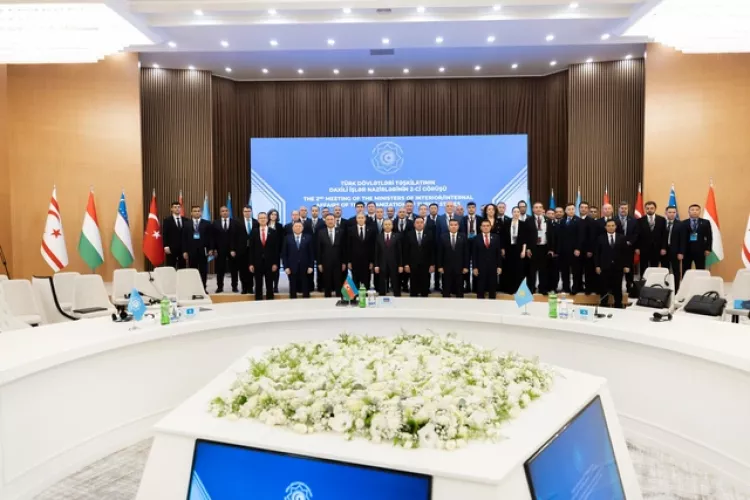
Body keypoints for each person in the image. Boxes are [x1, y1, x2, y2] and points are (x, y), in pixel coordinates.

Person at [595, 219, 629, 309]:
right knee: (604, 288)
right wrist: (597, 266)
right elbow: (597, 253)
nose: (611, 227)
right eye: (609, 226)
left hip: (618, 267)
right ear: (605, 227)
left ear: (616, 227)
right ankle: (603, 306)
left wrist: (626, 265)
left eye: (612, 225)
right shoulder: (600, 238)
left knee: (617, 287)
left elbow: (626, 253)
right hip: (604, 267)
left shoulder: (622, 238)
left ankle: (618, 306)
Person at [525, 202, 555, 295]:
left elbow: (551, 235)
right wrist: (527, 248)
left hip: (544, 247)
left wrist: (551, 249)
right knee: (531, 270)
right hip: (533, 248)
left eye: (540, 207)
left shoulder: (548, 220)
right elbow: (526, 236)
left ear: (543, 209)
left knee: (544, 270)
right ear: (533, 209)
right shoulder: (528, 220)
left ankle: (543, 288)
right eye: (536, 207)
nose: (538, 209)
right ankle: (531, 288)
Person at [248, 212, 279, 300]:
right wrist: (251, 263)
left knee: (269, 283)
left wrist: (275, 263)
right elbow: (251, 249)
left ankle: (270, 299)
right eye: (260, 218)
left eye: (264, 218)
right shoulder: (253, 232)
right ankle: (258, 299)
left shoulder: (273, 232)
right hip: (257, 262)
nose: (262, 219)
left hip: (270, 262)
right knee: (258, 283)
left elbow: (276, 250)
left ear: (267, 219)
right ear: (258, 220)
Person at [182, 205, 213, 292]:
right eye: (195, 211)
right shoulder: (186, 224)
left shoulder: (207, 223)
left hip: (203, 251)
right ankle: (194, 289)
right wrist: (184, 251)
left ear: (201, 213)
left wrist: (211, 249)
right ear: (191, 213)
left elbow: (211, 238)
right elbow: (183, 238)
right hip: (191, 251)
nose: (197, 212)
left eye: (198, 211)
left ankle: (203, 288)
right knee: (192, 271)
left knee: (203, 271)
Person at [403, 217, 435, 297]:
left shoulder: (430, 234)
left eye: (421, 222)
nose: (419, 224)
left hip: (426, 264)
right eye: (417, 223)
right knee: (413, 284)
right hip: (412, 264)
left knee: (425, 284)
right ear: (414, 224)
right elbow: (406, 250)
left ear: (424, 224)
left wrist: (432, 264)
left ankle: (424, 298)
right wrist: (406, 264)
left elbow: (432, 250)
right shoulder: (409, 234)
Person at [317, 214, 347, 297]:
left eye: (331, 219)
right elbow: (319, 249)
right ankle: (327, 298)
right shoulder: (321, 232)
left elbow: (344, 248)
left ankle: (339, 298)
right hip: (325, 262)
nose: (330, 221)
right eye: (328, 219)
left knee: (338, 282)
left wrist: (344, 262)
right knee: (327, 282)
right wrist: (319, 263)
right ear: (325, 221)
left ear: (335, 221)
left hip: (338, 262)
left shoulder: (341, 231)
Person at [437, 219, 469, 298]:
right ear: (448, 226)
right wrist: (440, 266)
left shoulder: (463, 236)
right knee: (446, 289)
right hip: (446, 267)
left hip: (460, 267)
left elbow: (466, 253)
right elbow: (440, 253)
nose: (453, 226)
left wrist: (466, 266)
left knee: (459, 289)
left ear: (458, 226)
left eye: (455, 225)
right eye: (451, 225)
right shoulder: (443, 237)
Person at [282, 221, 313, 299]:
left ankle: (306, 302)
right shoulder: (287, 238)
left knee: (306, 287)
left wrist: (311, 266)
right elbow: (284, 254)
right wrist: (286, 267)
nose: (298, 228)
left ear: (302, 228)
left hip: (305, 267)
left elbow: (311, 253)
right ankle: (293, 302)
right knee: (293, 288)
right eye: (296, 226)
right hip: (292, 267)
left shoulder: (308, 237)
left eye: (299, 226)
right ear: (292, 228)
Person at [212, 205, 239, 293]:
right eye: (223, 211)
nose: (225, 212)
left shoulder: (235, 223)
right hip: (219, 250)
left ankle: (234, 286)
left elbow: (237, 238)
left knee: (234, 269)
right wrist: (214, 249)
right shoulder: (215, 223)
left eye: (226, 211)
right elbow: (213, 237)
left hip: (232, 250)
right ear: (220, 213)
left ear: (229, 212)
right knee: (220, 269)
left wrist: (235, 249)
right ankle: (220, 287)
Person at [473, 220, 503, 299]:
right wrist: (474, 267)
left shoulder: (496, 237)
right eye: (484, 226)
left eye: (487, 226)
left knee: (492, 289)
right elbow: (474, 254)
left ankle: (492, 304)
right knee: (480, 289)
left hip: (493, 267)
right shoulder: (476, 238)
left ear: (490, 227)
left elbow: (498, 253)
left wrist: (499, 266)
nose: (485, 227)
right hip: (480, 267)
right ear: (480, 227)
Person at [635, 201, 667, 275]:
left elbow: (664, 235)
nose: (649, 210)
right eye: (648, 208)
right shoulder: (640, 221)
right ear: (645, 209)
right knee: (643, 266)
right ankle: (643, 281)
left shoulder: (662, 220)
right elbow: (637, 235)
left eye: (652, 208)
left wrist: (663, 248)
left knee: (654, 267)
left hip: (657, 248)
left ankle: (653, 280)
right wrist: (637, 247)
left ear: (655, 209)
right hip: (644, 248)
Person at [374, 219, 403, 296]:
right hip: (382, 264)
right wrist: (376, 265)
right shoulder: (379, 236)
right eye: (386, 224)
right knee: (382, 283)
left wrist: (400, 265)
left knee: (396, 282)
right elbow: (376, 252)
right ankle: (382, 297)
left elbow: (399, 252)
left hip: (394, 264)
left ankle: (397, 296)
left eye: (389, 224)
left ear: (392, 226)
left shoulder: (397, 236)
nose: (387, 226)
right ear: (383, 226)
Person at [682, 203, 713, 275]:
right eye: (692, 210)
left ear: (699, 211)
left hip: (700, 250)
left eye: (697, 210)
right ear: (689, 211)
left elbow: (709, 236)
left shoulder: (705, 222)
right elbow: (681, 238)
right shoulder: (683, 223)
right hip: (687, 250)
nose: (694, 211)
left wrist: (708, 249)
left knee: (700, 269)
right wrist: (681, 251)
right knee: (686, 269)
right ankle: (686, 281)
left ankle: (700, 281)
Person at [502, 207, 528, 293]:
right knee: (509, 268)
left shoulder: (523, 224)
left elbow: (524, 239)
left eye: (518, 212)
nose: (516, 213)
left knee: (519, 269)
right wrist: (503, 249)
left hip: (519, 249)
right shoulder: (506, 223)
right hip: (509, 249)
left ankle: (518, 289)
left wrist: (523, 250)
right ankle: (509, 289)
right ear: (512, 213)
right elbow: (503, 237)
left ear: (519, 213)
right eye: (514, 212)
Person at [558, 204, 582, 294]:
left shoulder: (578, 221)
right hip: (564, 251)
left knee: (575, 271)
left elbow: (580, 236)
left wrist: (578, 248)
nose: (571, 211)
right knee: (564, 271)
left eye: (572, 209)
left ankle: (575, 288)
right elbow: (560, 236)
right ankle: (566, 287)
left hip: (574, 250)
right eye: (569, 209)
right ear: (565, 211)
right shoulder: (562, 221)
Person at [347, 213, 375, 290]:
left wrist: (372, 261)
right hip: (354, 260)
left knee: (366, 279)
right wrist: (349, 261)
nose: (360, 219)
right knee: (355, 279)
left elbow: (373, 246)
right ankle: (355, 295)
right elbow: (348, 246)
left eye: (362, 218)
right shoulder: (350, 230)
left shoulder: (371, 230)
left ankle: (365, 294)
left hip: (367, 260)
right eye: (359, 218)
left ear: (365, 219)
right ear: (356, 219)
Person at [661, 205, 685, 292]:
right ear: (666, 213)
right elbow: (660, 237)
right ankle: (665, 289)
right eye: (670, 212)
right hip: (664, 251)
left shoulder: (680, 224)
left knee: (676, 271)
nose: (672, 214)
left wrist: (681, 252)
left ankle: (676, 289)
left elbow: (683, 239)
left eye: (674, 212)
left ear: (676, 213)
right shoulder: (662, 223)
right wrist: (662, 248)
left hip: (675, 252)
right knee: (665, 270)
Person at [461, 202, 483, 293]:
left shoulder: (480, 219)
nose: (471, 209)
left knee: (476, 264)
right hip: (465, 244)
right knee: (465, 264)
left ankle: (476, 286)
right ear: (467, 209)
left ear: (475, 208)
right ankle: (467, 286)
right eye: (469, 207)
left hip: (477, 243)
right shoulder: (462, 219)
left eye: (473, 207)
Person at [237, 206, 257, 294]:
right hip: (241, 250)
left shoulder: (256, 222)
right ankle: (244, 287)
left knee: (251, 269)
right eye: (245, 211)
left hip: (253, 250)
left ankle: (250, 287)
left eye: (249, 211)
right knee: (242, 270)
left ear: (251, 212)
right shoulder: (238, 222)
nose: (247, 213)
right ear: (243, 212)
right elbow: (234, 236)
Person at [617, 202, 637, 291]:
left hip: (629, 248)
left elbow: (636, 233)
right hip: (617, 248)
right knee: (617, 268)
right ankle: (617, 287)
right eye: (622, 208)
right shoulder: (613, 219)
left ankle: (629, 287)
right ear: (619, 209)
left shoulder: (633, 220)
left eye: (625, 208)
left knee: (629, 268)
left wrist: (631, 242)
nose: (623, 210)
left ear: (628, 209)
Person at [577, 202, 596, 294]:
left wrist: (590, 250)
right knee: (578, 270)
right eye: (582, 207)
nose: (583, 209)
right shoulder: (576, 220)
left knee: (588, 271)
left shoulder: (591, 221)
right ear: (579, 209)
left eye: (585, 207)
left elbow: (592, 237)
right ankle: (579, 287)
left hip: (587, 251)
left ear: (588, 210)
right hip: (578, 251)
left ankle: (589, 288)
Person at [162, 201, 188, 269]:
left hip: (182, 249)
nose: (177, 209)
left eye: (179, 207)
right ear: (171, 209)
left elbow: (187, 235)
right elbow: (165, 234)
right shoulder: (167, 220)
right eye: (175, 207)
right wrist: (166, 246)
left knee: (182, 268)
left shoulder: (186, 220)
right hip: (171, 248)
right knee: (170, 268)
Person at [394, 207, 413, 293]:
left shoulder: (411, 222)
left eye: (403, 212)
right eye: (400, 212)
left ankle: (405, 285)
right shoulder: (393, 222)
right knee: (397, 267)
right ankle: (397, 285)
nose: (402, 213)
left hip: (408, 248)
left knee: (406, 267)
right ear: (398, 213)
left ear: (406, 213)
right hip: (395, 248)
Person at [267, 209, 284, 293]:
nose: (274, 216)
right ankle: (269, 285)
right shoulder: (265, 224)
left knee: (276, 269)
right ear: (269, 215)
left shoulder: (280, 226)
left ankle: (275, 286)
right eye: (272, 214)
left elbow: (282, 239)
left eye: (275, 214)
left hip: (276, 251)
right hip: (266, 251)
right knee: (268, 269)